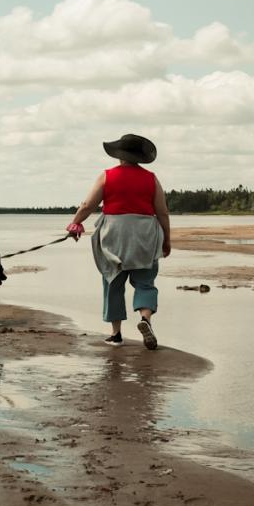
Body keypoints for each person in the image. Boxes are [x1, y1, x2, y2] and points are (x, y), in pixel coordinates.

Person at [65, 133, 170, 350]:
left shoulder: (107, 176)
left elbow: (88, 205)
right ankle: (145, 319)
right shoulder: (151, 178)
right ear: (140, 156)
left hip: (114, 234)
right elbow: (163, 213)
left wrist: (75, 223)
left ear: (119, 155)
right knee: (145, 282)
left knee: (113, 282)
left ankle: (116, 335)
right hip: (144, 233)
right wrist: (167, 240)